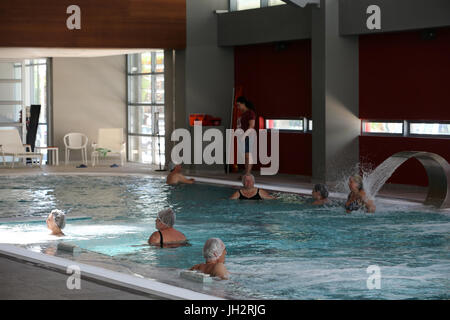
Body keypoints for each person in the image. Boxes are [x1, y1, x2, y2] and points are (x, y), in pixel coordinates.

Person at [236, 96, 256, 176]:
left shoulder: (250, 113)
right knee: (245, 156)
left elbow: (251, 126)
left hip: (248, 136)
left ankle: (248, 174)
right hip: (243, 136)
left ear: (243, 104)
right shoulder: (243, 114)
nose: (238, 107)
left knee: (248, 155)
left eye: (238, 105)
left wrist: (244, 136)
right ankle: (246, 173)